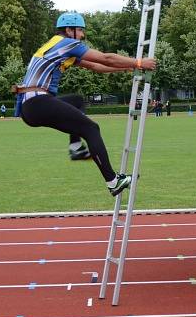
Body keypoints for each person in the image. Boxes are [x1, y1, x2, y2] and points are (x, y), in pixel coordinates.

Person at [14, 12, 156, 197]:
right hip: (37, 102)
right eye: (80, 30)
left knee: (77, 101)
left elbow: (96, 67)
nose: (82, 35)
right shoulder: (67, 43)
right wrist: (139, 62)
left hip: (31, 106)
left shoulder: (56, 45)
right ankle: (113, 181)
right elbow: (105, 58)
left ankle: (76, 148)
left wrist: (128, 67)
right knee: (91, 129)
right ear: (69, 30)